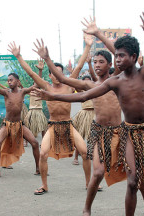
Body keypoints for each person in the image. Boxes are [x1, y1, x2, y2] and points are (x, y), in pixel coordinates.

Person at [33, 11, 144, 215]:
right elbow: (81, 97)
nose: (118, 59)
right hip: (130, 134)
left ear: (133, 57)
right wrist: (52, 96)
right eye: (116, 56)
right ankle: (90, 209)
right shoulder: (114, 82)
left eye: (122, 56)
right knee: (132, 181)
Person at [8, 38, 92, 195]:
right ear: (50, 75)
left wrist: (87, 45)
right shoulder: (46, 86)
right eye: (54, 72)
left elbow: (79, 66)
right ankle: (44, 185)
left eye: (60, 72)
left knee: (85, 152)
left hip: (68, 125)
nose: (57, 75)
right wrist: (18, 56)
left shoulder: (69, 85)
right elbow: (31, 73)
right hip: (53, 126)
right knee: (43, 154)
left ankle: (89, 183)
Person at [0, 70, 40, 179]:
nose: (9, 82)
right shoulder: (6, 92)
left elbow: (36, 84)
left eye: (11, 80)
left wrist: (39, 70)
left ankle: (38, 169)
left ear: (17, 81)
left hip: (19, 124)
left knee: (35, 143)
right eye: (8, 81)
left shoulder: (22, 92)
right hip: (7, 125)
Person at [24, 58, 47, 139]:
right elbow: (37, 82)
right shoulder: (30, 91)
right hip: (32, 111)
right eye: (35, 84)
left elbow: (39, 81)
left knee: (43, 126)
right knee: (28, 126)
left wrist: (40, 71)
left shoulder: (41, 91)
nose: (36, 85)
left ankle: (44, 140)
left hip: (39, 110)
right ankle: (27, 140)